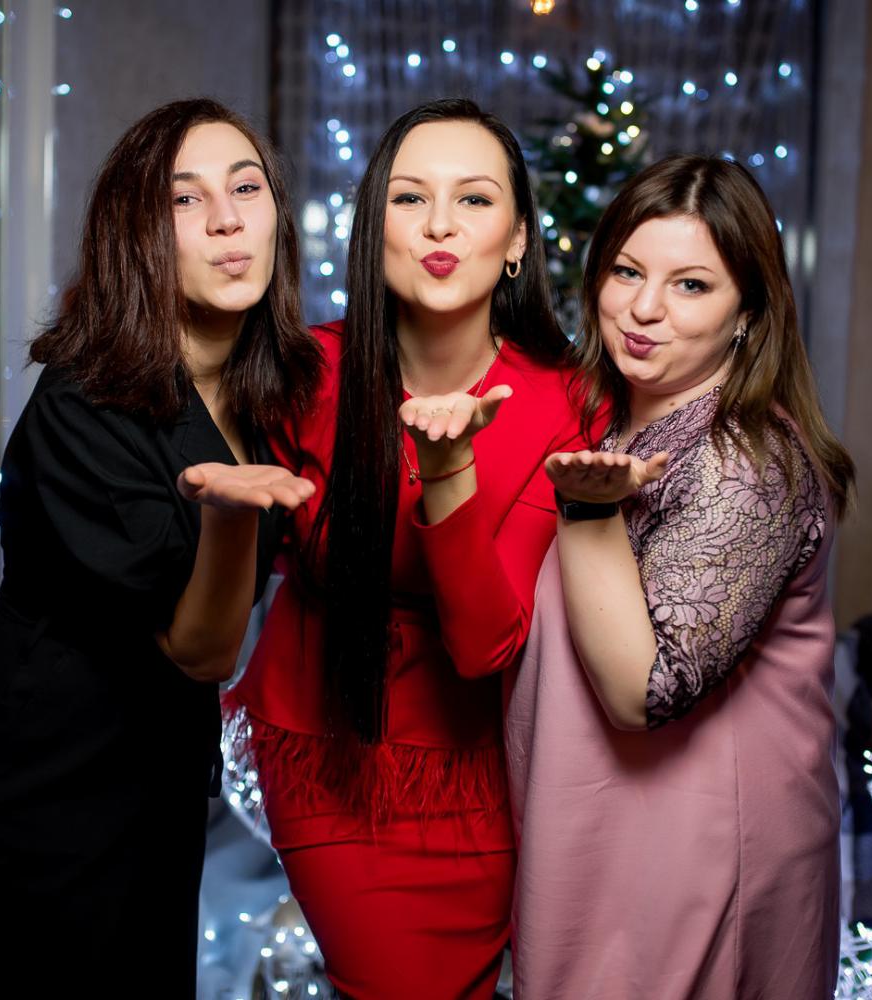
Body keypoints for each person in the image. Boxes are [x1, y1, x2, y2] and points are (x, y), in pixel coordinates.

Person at [0, 98, 322, 997]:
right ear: (136, 235)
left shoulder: (266, 390)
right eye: (185, 199)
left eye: (246, 188)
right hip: (30, 798)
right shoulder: (84, 403)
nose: (226, 220)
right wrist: (229, 514)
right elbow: (200, 649)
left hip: (152, 790)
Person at [224, 99, 583, 999]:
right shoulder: (302, 371)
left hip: (493, 776)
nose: (439, 226)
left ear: (517, 240)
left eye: (474, 200)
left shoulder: (567, 401)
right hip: (331, 762)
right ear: (372, 226)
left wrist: (447, 467)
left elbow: (486, 642)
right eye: (410, 198)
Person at [505, 154, 856, 999]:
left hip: (693, 848)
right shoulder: (618, 421)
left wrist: (587, 511)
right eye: (628, 271)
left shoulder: (747, 461)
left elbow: (644, 690)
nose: (644, 308)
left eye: (691, 285)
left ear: (749, 313)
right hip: (610, 830)